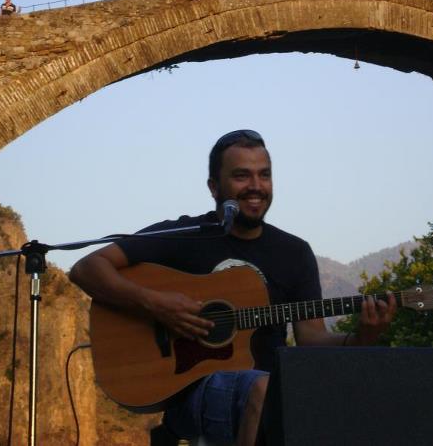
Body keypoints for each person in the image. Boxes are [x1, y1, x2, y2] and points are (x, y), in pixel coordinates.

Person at [69, 130, 397, 446]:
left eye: (264, 175)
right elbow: (87, 268)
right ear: (214, 187)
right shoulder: (184, 235)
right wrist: (156, 304)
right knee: (265, 390)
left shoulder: (294, 253)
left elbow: (311, 339)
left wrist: (362, 337)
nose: (256, 186)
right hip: (191, 394)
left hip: (268, 391)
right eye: (242, 176)